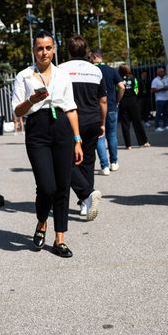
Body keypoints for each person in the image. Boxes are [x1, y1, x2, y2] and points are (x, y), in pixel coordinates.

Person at [12, 30, 83, 258]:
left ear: (54, 49)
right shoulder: (24, 75)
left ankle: (59, 239)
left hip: (61, 126)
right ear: (33, 50)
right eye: (40, 48)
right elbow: (17, 111)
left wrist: (77, 139)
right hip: (37, 128)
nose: (44, 52)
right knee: (47, 186)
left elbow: (71, 108)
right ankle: (42, 221)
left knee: (63, 185)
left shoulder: (63, 75)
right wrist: (31, 99)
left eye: (48, 48)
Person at [59, 36, 105, 221]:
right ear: (86, 51)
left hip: (71, 121)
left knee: (65, 162)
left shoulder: (61, 70)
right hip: (93, 119)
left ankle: (86, 195)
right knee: (87, 161)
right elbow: (103, 100)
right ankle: (85, 204)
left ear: (69, 51)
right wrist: (102, 122)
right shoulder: (95, 71)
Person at [91, 49, 124, 174]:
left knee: (100, 136)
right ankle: (114, 162)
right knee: (112, 135)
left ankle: (104, 166)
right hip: (111, 106)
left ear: (94, 57)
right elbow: (122, 87)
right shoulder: (111, 70)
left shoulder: (91, 71)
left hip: (96, 108)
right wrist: (117, 101)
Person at [117, 64, 150, 149]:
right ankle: (143, 142)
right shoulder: (134, 78)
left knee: (125, 123)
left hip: (123, 101)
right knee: (137, 122)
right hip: (133, 101)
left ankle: (128, 145)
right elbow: (136, 90)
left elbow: (117, 90)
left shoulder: (118, 78)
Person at [151, 67, 168, 131]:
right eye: (162, 71)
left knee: (166, 112)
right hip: (160, 99)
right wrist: (161, 89)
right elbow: (152, 90)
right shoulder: (155, 80)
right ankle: (157, 126)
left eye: (163, 71)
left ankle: (165, 125)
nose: (163, 72)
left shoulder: (165, 79)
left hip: (167, 98)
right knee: (159, 113)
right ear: (158, 72)